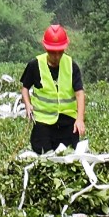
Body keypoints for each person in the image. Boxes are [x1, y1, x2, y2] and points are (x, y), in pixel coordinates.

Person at [20, 24, 86, 154]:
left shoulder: (71, 65)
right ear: (45, 47)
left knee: (69, 156)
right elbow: (25, 88)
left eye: (59, 52)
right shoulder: (35, 65)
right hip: (43, 122)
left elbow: (79, 94)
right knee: (43, 155)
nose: (56, 56)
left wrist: (79, 119)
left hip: (67, 121)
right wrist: (28, 105)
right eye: (52, 52)